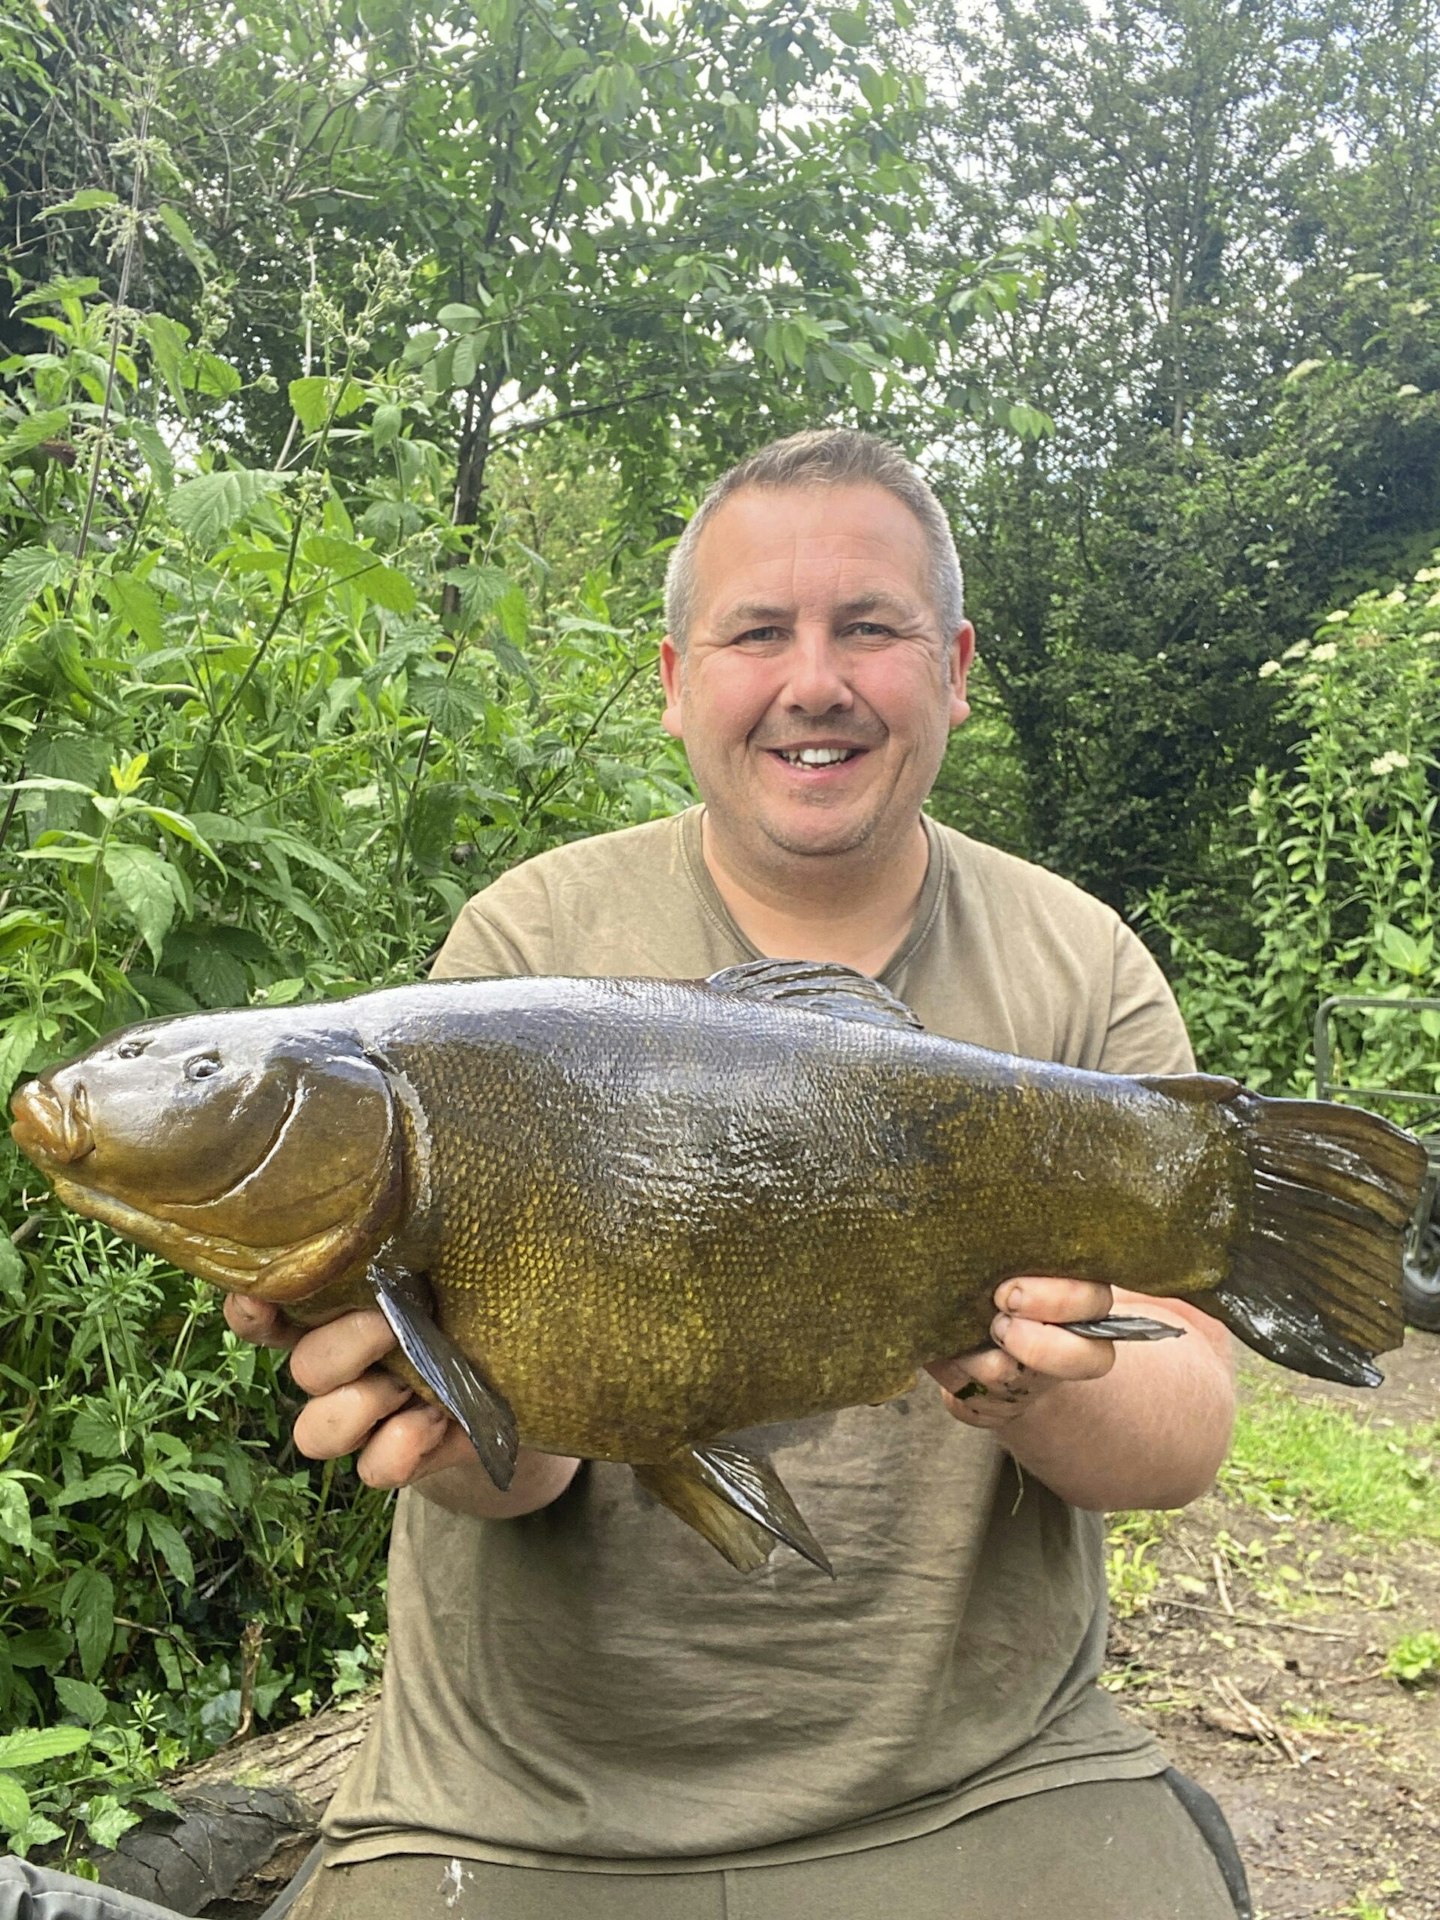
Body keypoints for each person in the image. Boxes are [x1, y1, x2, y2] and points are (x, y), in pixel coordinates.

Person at [0, 431, 1250, 1920]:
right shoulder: (523, 945)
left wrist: (1047, 1380)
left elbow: (1183, 1434)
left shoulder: (1077, 968)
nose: (815, 681)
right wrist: (467, 1430)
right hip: (524, 1803)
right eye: (756, 633)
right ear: (674, 681)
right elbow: (516, 1477)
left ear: (956, 666)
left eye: (870, 628)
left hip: (981, 1769)